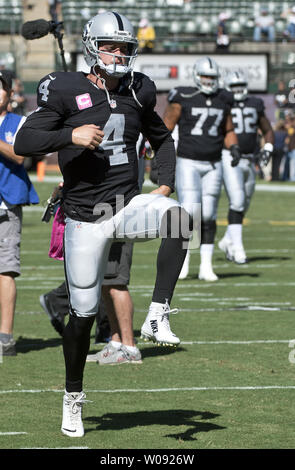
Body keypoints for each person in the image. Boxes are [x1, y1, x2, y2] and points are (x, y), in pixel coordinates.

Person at [14, 11, 191, 437]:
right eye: (110, 45)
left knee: (182, 220)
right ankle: (73, 396)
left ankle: (156, 315)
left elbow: (161, 136)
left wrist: (165, 183)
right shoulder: (64, 86)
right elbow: (24, 142)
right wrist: (68, 136)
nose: (118, 53)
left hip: (124, 206)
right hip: (84, 217)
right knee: (84, 315)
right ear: (93, 47)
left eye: (124, 46)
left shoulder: (138, 89)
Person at [163, 56, 240, 281]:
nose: (209, 80)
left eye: (212, 77)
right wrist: (159, 160)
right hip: (188, 161)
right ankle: (183, 262)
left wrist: (233, 146)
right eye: (205, 75)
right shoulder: (182, 97)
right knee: (189, 212)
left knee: (208, 214)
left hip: (214, 163)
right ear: (197, 75)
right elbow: (165, 129)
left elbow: (228, 129)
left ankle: (206, 265)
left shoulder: (223, 98)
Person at [0, 70, 39, 356]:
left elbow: (20, 154)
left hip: (6, 205)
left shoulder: (19, 121)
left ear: (8, 94)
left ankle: (5, 337)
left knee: (5, 270)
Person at [218, 71, 274, 264]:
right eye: (234, 86)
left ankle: (227, 240)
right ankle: (237, 249)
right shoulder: (223, 102)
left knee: (245, 202)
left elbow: (267, 129)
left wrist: (268, 147)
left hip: (250, 158)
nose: (238, 90)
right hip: (230, 156)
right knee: (238, 200)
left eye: (241, 85)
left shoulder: (254, 104)